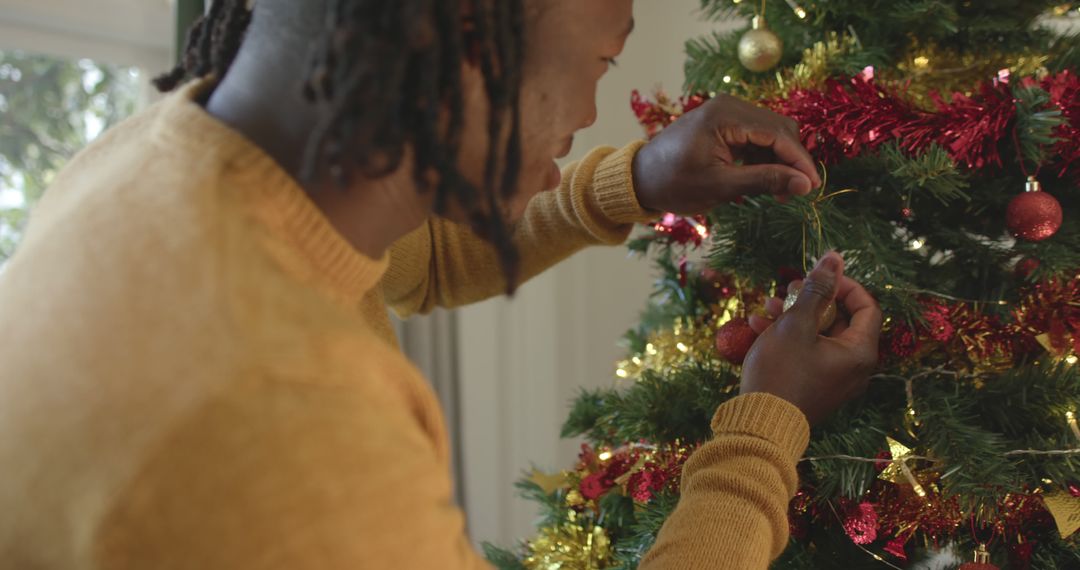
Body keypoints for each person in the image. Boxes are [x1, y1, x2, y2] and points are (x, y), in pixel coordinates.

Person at [0, 0, 881, 568]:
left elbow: (408, 260)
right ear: (470, 41)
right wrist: (769, 429)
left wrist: (633, 181)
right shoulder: (292, 430)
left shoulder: (159, 157)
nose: (587, 110)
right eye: (602, 63)